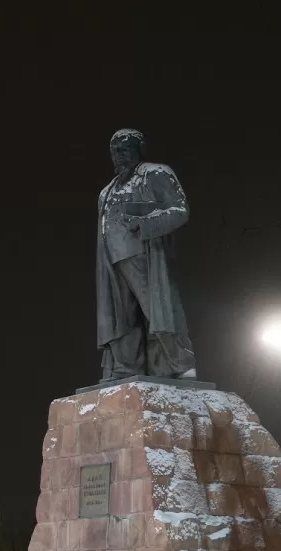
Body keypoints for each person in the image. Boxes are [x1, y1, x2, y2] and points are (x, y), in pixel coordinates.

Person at [95, 128, 197, 381]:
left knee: (158, 312)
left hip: (145, 254)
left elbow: (180, 210)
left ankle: (179, 364)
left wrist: (145, 223)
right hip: (112, 260)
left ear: (139, 149)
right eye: (114, 151)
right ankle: (126, 367)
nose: (118, 154)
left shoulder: (155, 173)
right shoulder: (106, 191)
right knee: (121, 319)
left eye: (124, 148)